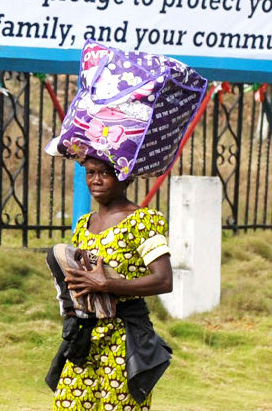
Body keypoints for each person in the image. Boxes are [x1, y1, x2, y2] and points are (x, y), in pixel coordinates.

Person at [48, 155, 173, 410]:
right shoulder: (84, 224)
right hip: (86, 337)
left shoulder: (143, 222)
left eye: (106, 173)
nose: (96, 180)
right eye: (91, 172)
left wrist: (109, 285)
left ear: (126, 176)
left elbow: (164, 280)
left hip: (123, 340)